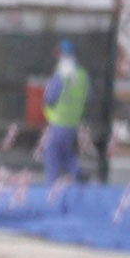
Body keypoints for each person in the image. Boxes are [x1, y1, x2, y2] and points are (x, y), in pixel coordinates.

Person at [42, 39, 90, 184]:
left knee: (51, 153)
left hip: (58, 121)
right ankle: (77, 173)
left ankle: (52, 185)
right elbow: (88, 97)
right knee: (65, 152)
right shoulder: (82, 75)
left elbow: (49, 98)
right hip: (73, 122)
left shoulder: (60, 75)